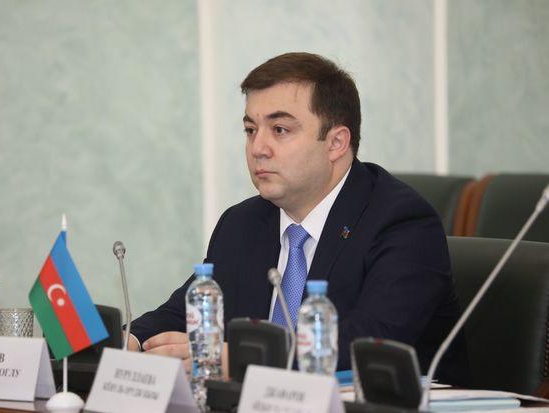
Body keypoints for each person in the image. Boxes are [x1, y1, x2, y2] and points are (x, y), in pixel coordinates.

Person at [129, 52, 468, 384]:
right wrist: (129, 341)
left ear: (336, 142)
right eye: (250, 130)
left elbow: (370, 343)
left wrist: (244, 361)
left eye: (279, 130)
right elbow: (185, 314)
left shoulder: (403, 224)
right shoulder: (243, 223)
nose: (258, 148)